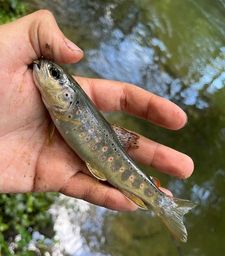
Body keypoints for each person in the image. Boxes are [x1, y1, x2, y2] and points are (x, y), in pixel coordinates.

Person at [0, 10, 194, 211]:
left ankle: (163, 203)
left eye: (54, 73)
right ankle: (163, 203)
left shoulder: (62, 108)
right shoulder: (56, 107)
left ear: (69, 97)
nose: (46, 70)